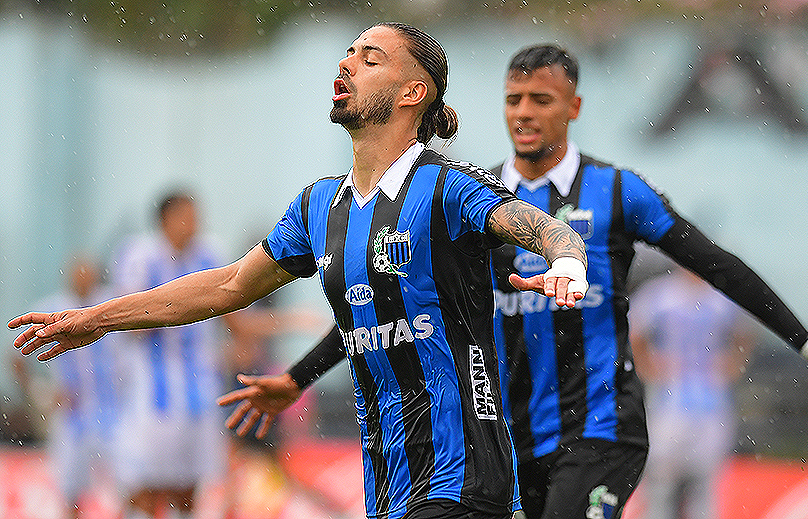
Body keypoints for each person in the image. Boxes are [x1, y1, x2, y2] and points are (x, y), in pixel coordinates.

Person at [9, 23, 589, 519]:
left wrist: (566, 260)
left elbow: (543, 228)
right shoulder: (318, 208)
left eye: (370, 58)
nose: (347, 64)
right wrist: (99, 318)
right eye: (347, 55)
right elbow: (231, 286)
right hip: (386, 482)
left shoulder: (447, 187)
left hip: (461, 477)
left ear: (414, 91)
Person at [237, 42, 808, 519]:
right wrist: (297, 376)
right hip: (508, 433)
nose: (523, 113)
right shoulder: (473, 198)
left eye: (541, 99)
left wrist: (805, 342)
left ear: (572, 108)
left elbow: (716, 263)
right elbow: (401, 304)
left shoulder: (619, 192)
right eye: (513, 99)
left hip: (599, 429)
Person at [106, 191, 231, 519]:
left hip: (200, 389)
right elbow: (127, 320)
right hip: (152, 390)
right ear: (165, 220)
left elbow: (234, 313)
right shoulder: (140, 256)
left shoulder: (211, 254)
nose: (193, 225)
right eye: (185, 216)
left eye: (196, 216)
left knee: (190, 484)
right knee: (145, 482)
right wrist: (169, 310)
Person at [629, 266, 755, 519]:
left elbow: (746, 335)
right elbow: (634, 333)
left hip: (712, 400)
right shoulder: (660, 293)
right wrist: (649, 368)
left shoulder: (721, 299)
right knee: (661, 479)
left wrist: (731, 367)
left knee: (707, 482)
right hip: (669, 399)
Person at [14, 256, 120, 519]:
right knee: (71, 492)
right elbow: (16, 356)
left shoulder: (110, 304)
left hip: (113, 412)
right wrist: (41, 393)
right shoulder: (53, 309)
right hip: (73, 416)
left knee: (128, 485)